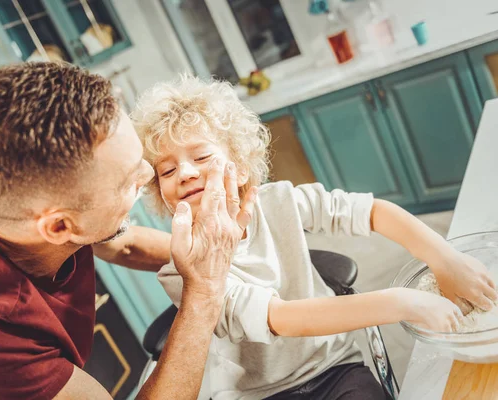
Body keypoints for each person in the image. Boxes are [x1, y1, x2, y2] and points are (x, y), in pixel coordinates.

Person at [0, 62, 256, 400]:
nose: (149, 175)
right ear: (59, 227)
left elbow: (122, 244)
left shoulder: (11, 183)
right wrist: (204, 292)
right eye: (127, 182)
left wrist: (224, 257)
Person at [131, 74, 498, 400]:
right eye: (167, 170)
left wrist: (445, 260)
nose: (185, 172)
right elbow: (282, 319)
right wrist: (401, 302)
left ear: (240, 167)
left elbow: (372, 212)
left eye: (201, 156)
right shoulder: (181, 275)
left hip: (333, 366)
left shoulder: (280, 201)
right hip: (260, 393)